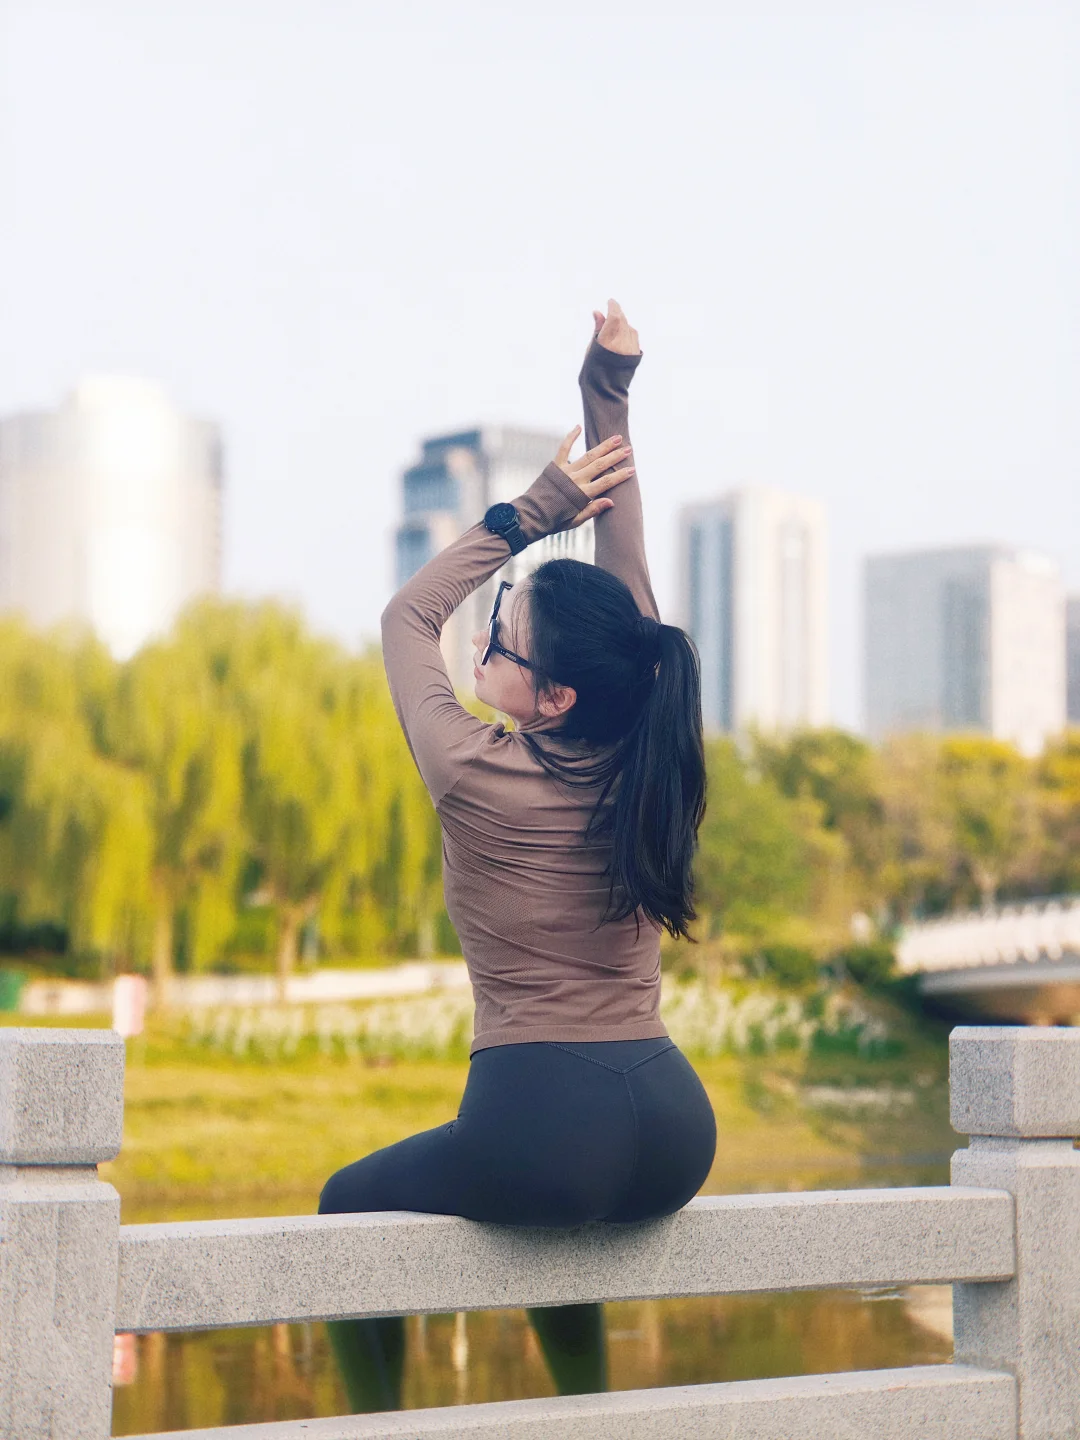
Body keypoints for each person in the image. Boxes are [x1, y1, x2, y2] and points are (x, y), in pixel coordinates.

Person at [318, 300, 716, 1410]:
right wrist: (608, 392)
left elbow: (407, 617)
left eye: (499, 639)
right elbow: (631, 585)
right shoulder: (651, 752)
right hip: (673, 1125)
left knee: (345, 1205)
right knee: (559, 1221)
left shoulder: (473, 771)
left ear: (550, 698)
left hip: (544, 1121)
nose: (478, 644)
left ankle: (377, 1428)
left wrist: (529, 514)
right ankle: (587, 1418)